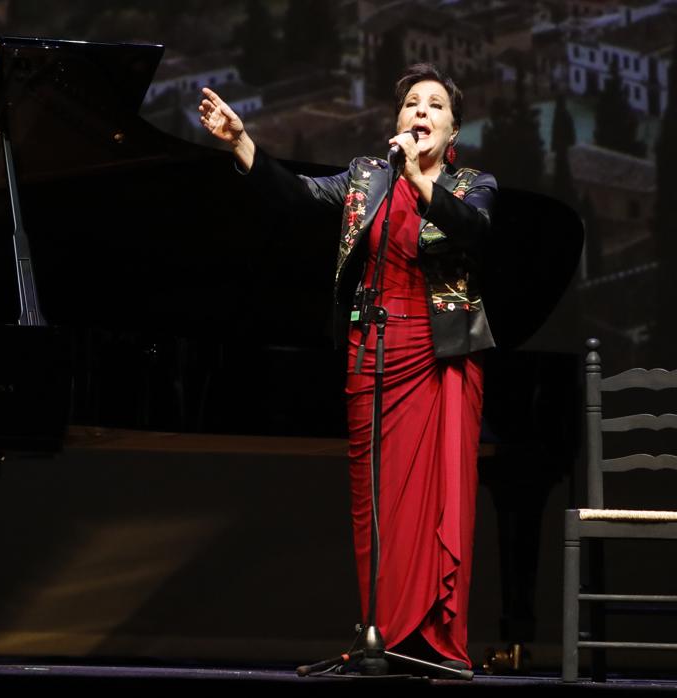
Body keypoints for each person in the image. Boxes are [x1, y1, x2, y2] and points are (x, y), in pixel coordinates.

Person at [198, 64, 497, 668]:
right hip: (371, 353)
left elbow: (472, 232)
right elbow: (300, 198)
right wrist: (242, 143)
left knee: (432, 500)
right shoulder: (367, 178)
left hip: (438, 358)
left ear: (453, 128)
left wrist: (420, 179)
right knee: (374, 501)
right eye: (412, 103)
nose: (420, 112)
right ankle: (377, 632)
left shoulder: (472, 184)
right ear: (396, 121)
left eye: (435, 106)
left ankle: (428, 639)